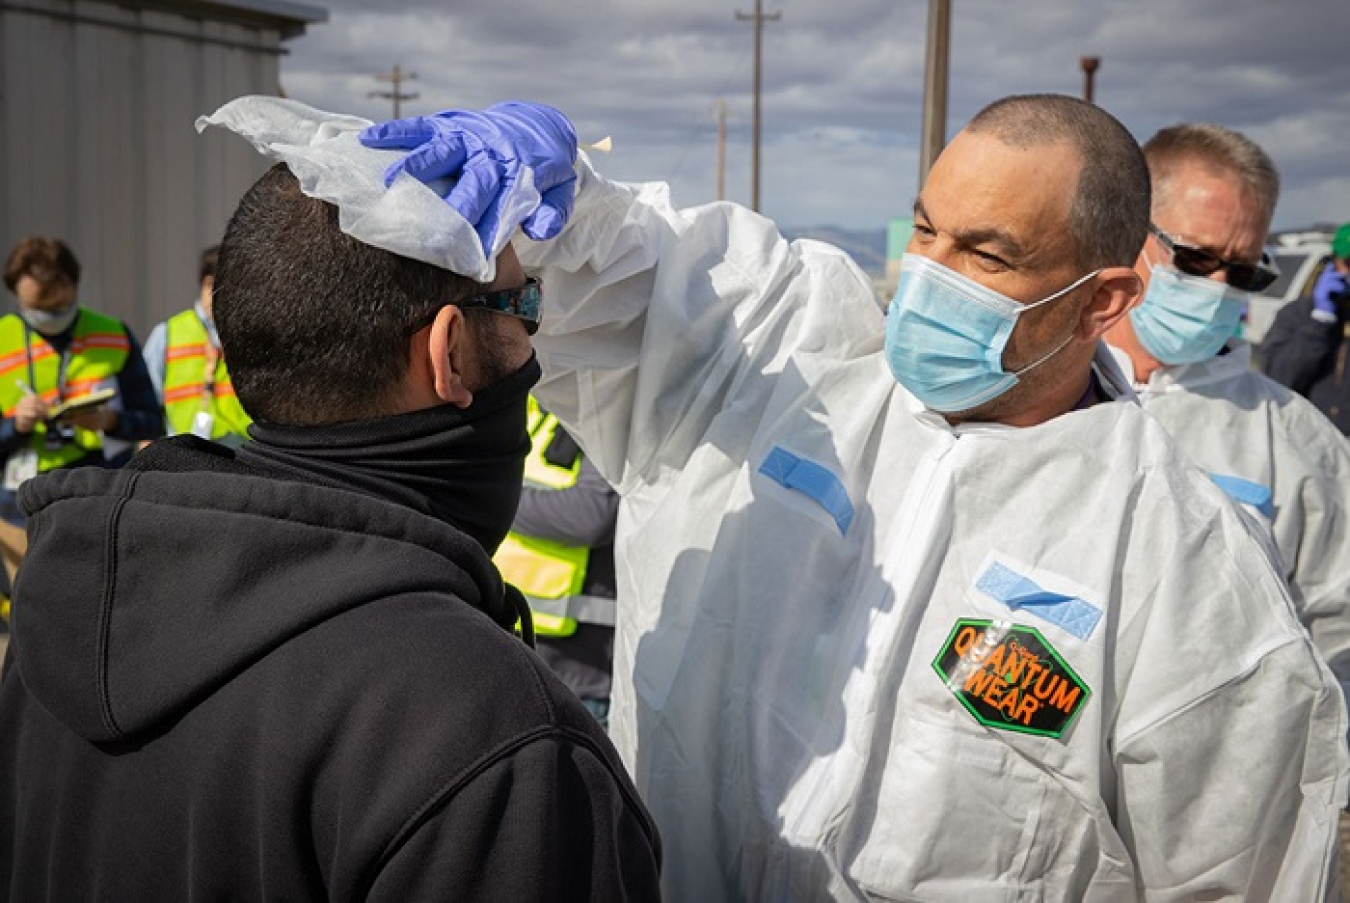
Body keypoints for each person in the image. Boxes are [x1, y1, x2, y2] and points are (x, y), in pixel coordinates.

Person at [360, 93, 1348, 899]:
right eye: (927, 229)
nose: (930, 276)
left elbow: (1233, 865)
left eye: (987, 254)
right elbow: (647, 283)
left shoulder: (1181, 567)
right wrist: (568, 203)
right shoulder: (802, 374)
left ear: (1101, 299)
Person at [0, 160, 661, 897]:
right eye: (523, 303)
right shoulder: (496, 735)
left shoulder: (58, 603)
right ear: (448, 353)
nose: (533, 344)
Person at [1101, 124, 1350, 710]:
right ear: (1128, 233)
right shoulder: (1044, 390)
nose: (1217, 287)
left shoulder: (1295, 437)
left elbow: (1336, 627)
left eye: (1242, 272)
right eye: (1195, 258)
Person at [0, 237, 163, 523]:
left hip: (99, 488)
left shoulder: (113, 334)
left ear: (75, 286)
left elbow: (152, 422)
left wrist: (111, 421)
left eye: (61, 306)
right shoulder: (4, 339)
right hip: (20, 500)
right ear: (17, 296)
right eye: (39, 308)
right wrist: (16, 426)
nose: (51, 317)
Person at [495, 395, 620, 727]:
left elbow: (592, 515)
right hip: (512, 656)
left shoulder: (605, 412)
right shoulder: (528, 409)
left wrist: (496, 497)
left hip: (581, 680)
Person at [142, 245, 252, 445]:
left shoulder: (251, 334)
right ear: (207, 283)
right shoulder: (168, 333)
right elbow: (146, 403)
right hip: (185, 454)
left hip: (242, 452)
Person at [1262, 222, 1350, 434]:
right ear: (1333, 264)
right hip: (1312, 439)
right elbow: (1279, 379)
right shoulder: (1297, 315)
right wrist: (1319, 322)